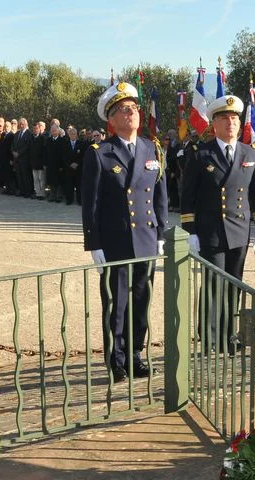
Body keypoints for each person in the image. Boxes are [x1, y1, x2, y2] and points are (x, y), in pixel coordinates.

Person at [81, 82, 169, 382]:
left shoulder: (151, 148)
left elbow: (160, 195)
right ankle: (116, 359)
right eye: (123, 110)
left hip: (146, 237)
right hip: (115, 240)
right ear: (111, 119)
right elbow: (91, 204)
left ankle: (135, 355)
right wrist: (94, 244)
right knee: (116, 303)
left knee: (141, 301)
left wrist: (161, 233)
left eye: (133, 108)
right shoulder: (100, 153)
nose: (131, 113)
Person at [180, 94, 255, 354]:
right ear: (214, 124)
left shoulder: (249, 152)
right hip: (211, 231)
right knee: (212, 286)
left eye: (234, 119)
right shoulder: (201, 154)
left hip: (239, 230)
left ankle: (228, 336)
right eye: (224, 119)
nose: (231, 123)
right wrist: (190, 231)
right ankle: (209, 338)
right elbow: (187, 196)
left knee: (233, 285)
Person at [60, 126, 85, 205]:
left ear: (76, 135)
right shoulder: (65, 144)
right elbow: (63, 156)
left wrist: (77, 163)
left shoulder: (82, 144)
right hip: (69, 168)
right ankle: (69, 200)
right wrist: (70, 164)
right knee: (69, 185)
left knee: (79, 185)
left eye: (74, 134)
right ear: (69, 135)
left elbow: (83, 155)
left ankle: (80, 200)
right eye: (71, 134)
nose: (73, 135)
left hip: (78, 168)